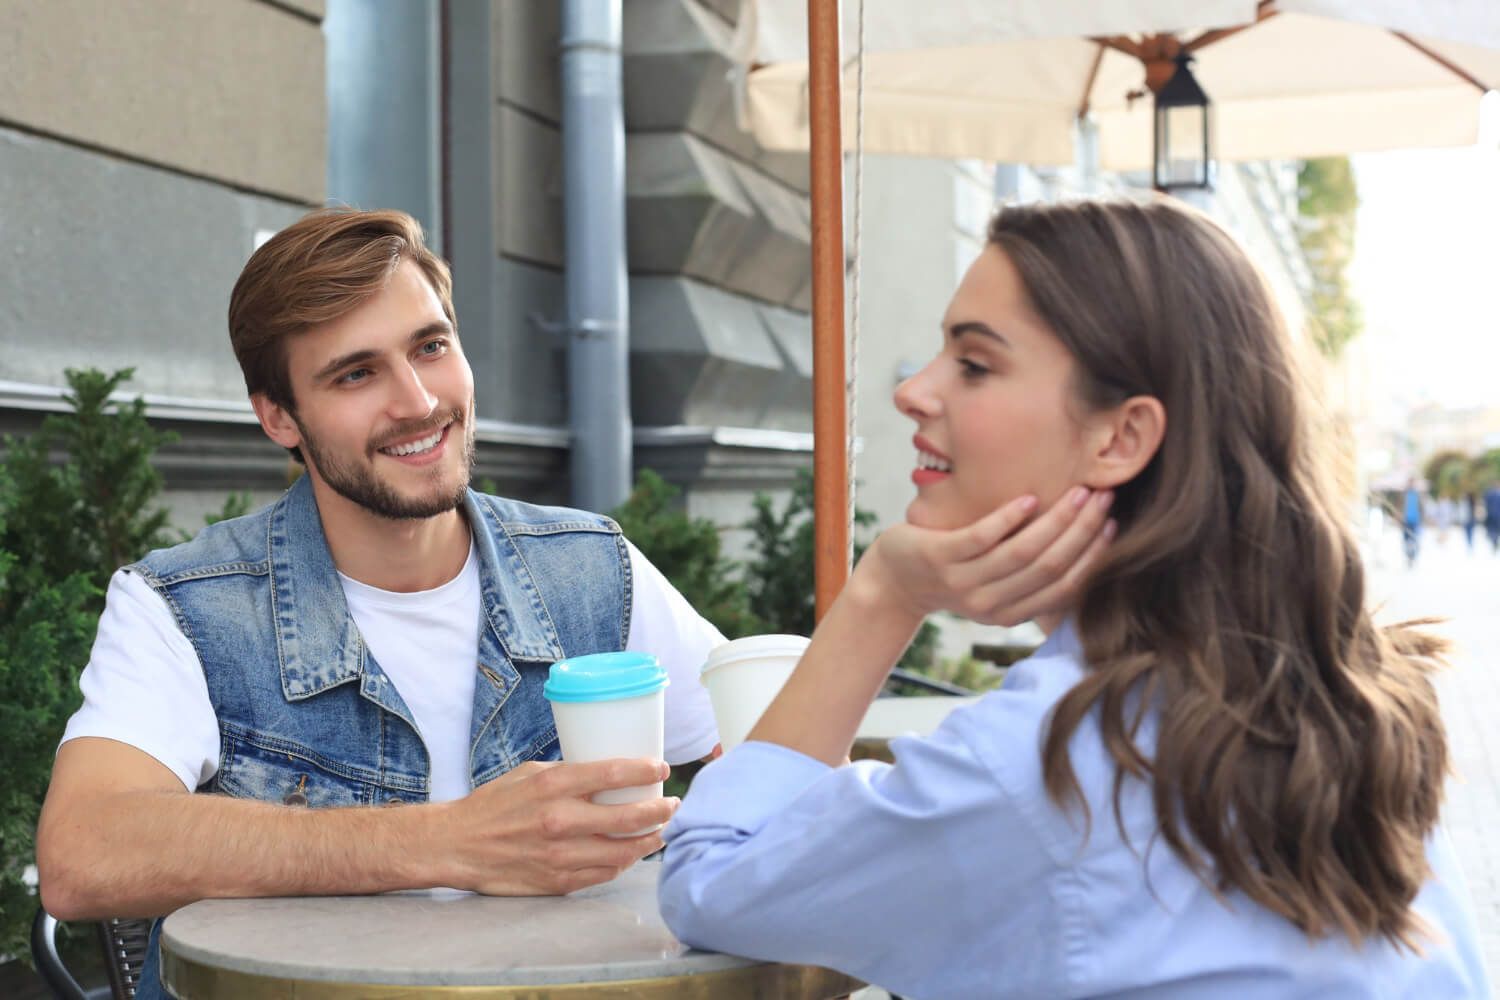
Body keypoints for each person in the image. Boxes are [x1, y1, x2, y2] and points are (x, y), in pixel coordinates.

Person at [659, 200, 1489, 998]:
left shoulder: (1046, 759)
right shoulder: (1348, 697)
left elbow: (710, 883)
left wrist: (882, 594)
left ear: (1121, 437)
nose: (914, 390)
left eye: (975, 363)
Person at [1403, 478, 1424, 567]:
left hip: (1415, 521)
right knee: (1406, 540)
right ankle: (1409, 557)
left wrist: (1422, 519)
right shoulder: (1404, 494)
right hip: (1406, 520)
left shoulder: (1418, 494)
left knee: (1414, 540)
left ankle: (1413, 556)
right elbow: (1400, 506)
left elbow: (1421, 507)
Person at [1484, 482, 1500, 553]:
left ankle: (1494, 541)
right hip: (1493, 515)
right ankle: (1494, 542)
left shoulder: (1489, 494)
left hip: (1492, 515)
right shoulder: (1490, 494)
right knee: (1494, 530)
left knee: (1493, 530)